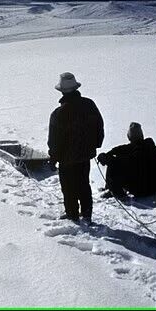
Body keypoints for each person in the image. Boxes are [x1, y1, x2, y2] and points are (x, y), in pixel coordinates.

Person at [48, 72, 104, 224]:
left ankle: (72, 214)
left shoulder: (58, 114)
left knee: (68, 187)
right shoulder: (89, 104)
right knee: (84, 184)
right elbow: (99, 127)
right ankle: (87, 215)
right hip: (86, 155)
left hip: (67, 159)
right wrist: (95, 145)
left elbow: (54, 141)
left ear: (61, 91)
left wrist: (53, 159)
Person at [97, 122, 156, 200]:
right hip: (155, 188)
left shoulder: (131, 154)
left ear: (129, 137)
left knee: (113, 165)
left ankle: (116, 192)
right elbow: (120, 149)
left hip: (140, 190)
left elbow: (117, 158)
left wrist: (107, 158)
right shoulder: (152, 150)